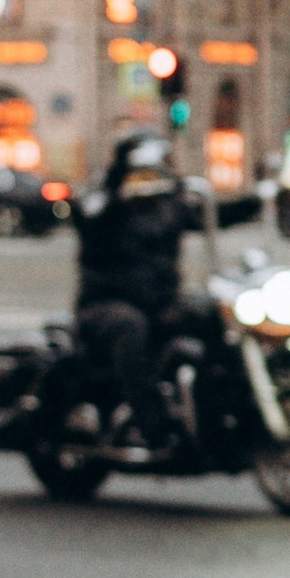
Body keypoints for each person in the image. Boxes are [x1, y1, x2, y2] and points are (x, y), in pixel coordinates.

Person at [70, 130, 204, 444]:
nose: (149, 178)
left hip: (160, 301)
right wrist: (119, 192)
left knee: (210, 314)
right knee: (131, 328)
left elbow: (211, 216)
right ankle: (150, 424)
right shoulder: (104, 202)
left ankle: (214, 410)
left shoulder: (168, 205)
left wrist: (262, 198)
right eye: (141, 169)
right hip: (104, 304)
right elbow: (88, 221)